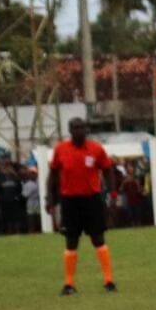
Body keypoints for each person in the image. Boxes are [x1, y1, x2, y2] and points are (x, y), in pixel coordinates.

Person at [46, 118, 116, 295]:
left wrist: (112, 194)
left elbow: (107, 170)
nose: (79, 131)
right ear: (70, 130)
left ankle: (109, 281)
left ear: (86, 129)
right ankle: (69, 284)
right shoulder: (60, 149)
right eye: (75, 128)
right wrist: (49, 198)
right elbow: (53, 175)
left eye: (82, 128)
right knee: (71, 241)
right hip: (69, 200)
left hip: (92, 199)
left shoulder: (96, 149)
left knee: (98, 239)